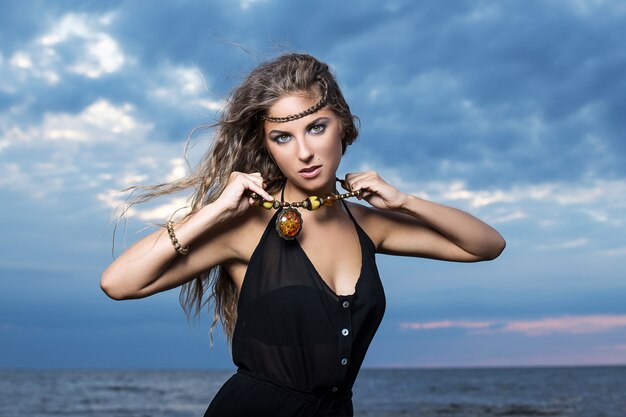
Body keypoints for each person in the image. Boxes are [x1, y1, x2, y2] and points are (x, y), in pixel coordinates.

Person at [100, 53, 505, 417]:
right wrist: (214, 211)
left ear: (343, 127)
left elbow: (487, 245)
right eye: (283, 137)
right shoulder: (244, 226)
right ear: (268, 146)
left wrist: (404, 201)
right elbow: (118, 284)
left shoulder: (369, 224)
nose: (304, 152)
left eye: (316, 128)